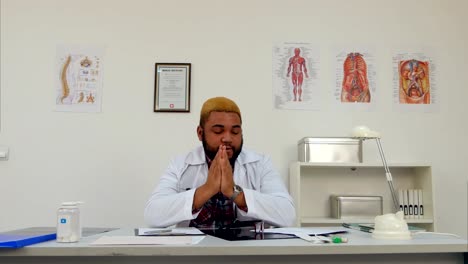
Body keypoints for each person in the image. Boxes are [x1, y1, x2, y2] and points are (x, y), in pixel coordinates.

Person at [144, 97, 296, 228]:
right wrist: (206, 190)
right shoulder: (180, 164)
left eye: (235, 131)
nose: (228, 138)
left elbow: (287, 215)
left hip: (247, 254)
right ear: (200, 133)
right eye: (218, 131)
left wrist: (235, 193)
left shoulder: (260, 163)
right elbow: (152, 215)